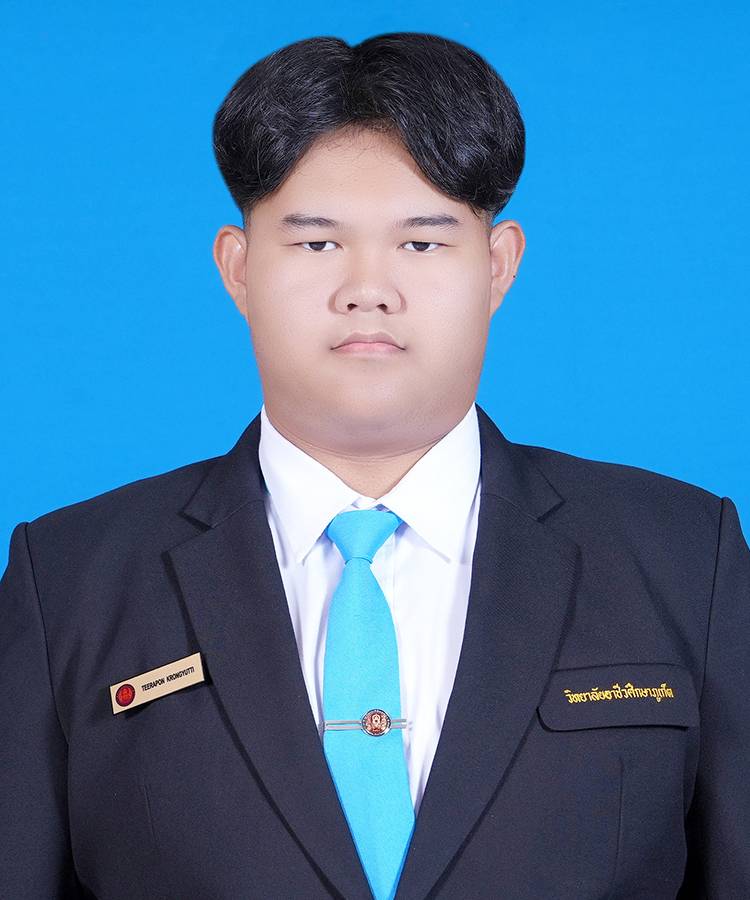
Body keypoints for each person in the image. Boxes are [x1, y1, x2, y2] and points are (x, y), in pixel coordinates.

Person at [1, 31, 748, 900]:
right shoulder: (70, 581)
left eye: (421, 244)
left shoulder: (685, 560)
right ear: (238, 269)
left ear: (498, 266)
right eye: (317, 244)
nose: (368, 289)